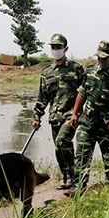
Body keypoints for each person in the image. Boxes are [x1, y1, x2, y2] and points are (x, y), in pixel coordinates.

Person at [69, 41, 109, 191]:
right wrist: (75, 113)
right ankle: (78, 188)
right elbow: (82, 93)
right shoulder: (90, 71)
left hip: (107, 125)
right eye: (99, 57)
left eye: (105, 58)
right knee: (81, 156)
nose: (101, 60)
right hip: (87, 122)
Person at [32, 33, 86, 189]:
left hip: (71, 114)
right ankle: (65, 176)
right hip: (55, 116)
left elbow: (85, 92)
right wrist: (36, 116)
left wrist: (82, 112)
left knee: (62, 141)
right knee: (58, 148)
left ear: (65, 49)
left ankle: (73, 176)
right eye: (53, 47)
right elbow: (42, 97)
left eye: (58, 47)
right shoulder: (47, 72)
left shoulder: (76, 69)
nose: (55, 50)